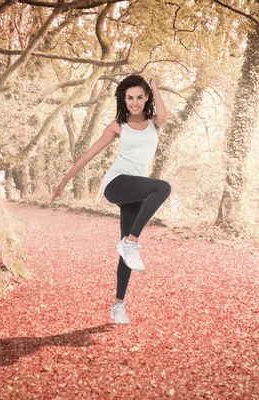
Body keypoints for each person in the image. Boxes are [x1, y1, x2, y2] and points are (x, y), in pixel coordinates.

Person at [51, 74, 171, 325]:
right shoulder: (118, 126)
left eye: (140, 97)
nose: (135, 102)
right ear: (123, 100)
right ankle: (131, 242)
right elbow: (89, 154)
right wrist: (65, 180)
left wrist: (156, 87)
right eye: (130, 98)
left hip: (135, 189)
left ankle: (118, 305)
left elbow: (163, 116)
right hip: (117, 183)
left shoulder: (154, 124)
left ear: (146, 97)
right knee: (162, 188)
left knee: (125, 253)